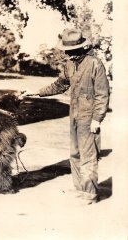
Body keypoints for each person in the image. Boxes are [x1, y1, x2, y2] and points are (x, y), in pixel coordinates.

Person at [23, 28, 110, 205]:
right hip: (74, 115)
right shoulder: (69, 65)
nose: (68, 54)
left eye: (71, 51)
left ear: (81, 48)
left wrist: (97, 119)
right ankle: (80, 188)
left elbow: (103, 94)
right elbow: (59, 85)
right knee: (75, 154)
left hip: (89, 118)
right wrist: (36, 92)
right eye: (66, 51)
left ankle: (90, 194)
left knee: (88, 156)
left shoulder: (95, 64)